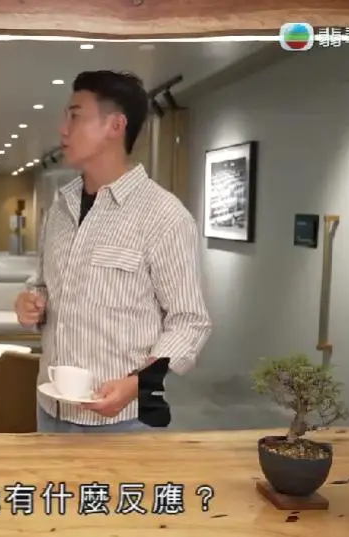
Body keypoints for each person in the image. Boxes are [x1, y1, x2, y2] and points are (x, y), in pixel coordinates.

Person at [16, 70, 212, 433]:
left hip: (125, 420)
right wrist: (30, 303)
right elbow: (42, 284)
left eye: (75, 116)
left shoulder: (163, 215)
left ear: (115, 125)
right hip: (50, 411)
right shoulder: (60, 208)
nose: (62, 129)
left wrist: (140, 383)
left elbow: (189, 322)